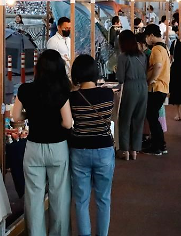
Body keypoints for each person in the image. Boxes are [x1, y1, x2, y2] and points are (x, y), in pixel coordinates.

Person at [12, 50, 73, 236]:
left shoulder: (25, 89)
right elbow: (68, 123)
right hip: (57, 147)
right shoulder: (62, 91)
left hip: (33, 148)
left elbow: (15, 117)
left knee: (34, 197)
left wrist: (28, 114)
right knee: (59, 196)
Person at [69, 55, 115, 236]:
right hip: (104, 149)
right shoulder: (107, 94)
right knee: (103, 198)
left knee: (81, 200)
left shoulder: (72, 97)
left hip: (79, 150)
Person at [116, 30, 148, 160]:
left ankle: (125, 150)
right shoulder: (142, 56)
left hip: (130, 87)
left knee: (125, 118)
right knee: (139, 119)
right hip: (143, 87)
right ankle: (135, 150)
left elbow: (120, 78)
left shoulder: (122, 57)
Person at [143, 24, 171, 156]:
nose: (147, 40)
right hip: (163, 87)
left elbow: (158, 66)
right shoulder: (165, 48)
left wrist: (150, 79)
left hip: (156, 87)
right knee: (154, 116)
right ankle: (159, 144)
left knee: (152, 117)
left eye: (147, 37)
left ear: (151, 36)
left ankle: (158, 145)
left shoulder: (156, 49)